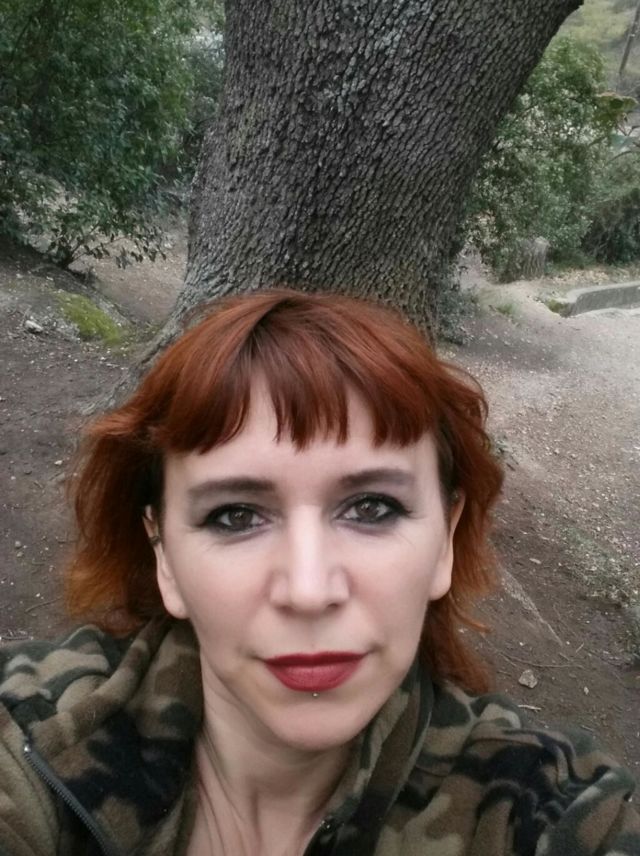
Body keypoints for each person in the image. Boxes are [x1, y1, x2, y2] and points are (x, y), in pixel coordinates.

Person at [0, 288, 638, 856]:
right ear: (163, 554)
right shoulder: (30, 734)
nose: (308, 591)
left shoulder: (549, 809)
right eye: (235, 516)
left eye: (372, 507)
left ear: (445, 539)